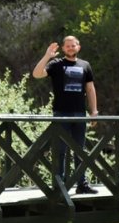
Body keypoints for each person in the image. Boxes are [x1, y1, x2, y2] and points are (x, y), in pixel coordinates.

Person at [32, 36, 99, 194]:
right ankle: (59, 185)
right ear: (63, 48)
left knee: (80, 150)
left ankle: (82, 184)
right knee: (60, 150)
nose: (70, 48)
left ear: (78, 47)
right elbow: (37, 74)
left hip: (80, 113)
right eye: (67, 46)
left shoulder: (85, 65)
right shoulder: (56, 64)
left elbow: (90, 89)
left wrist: (94, 111)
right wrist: (47, 55)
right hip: (61, 113)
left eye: (73, 45)